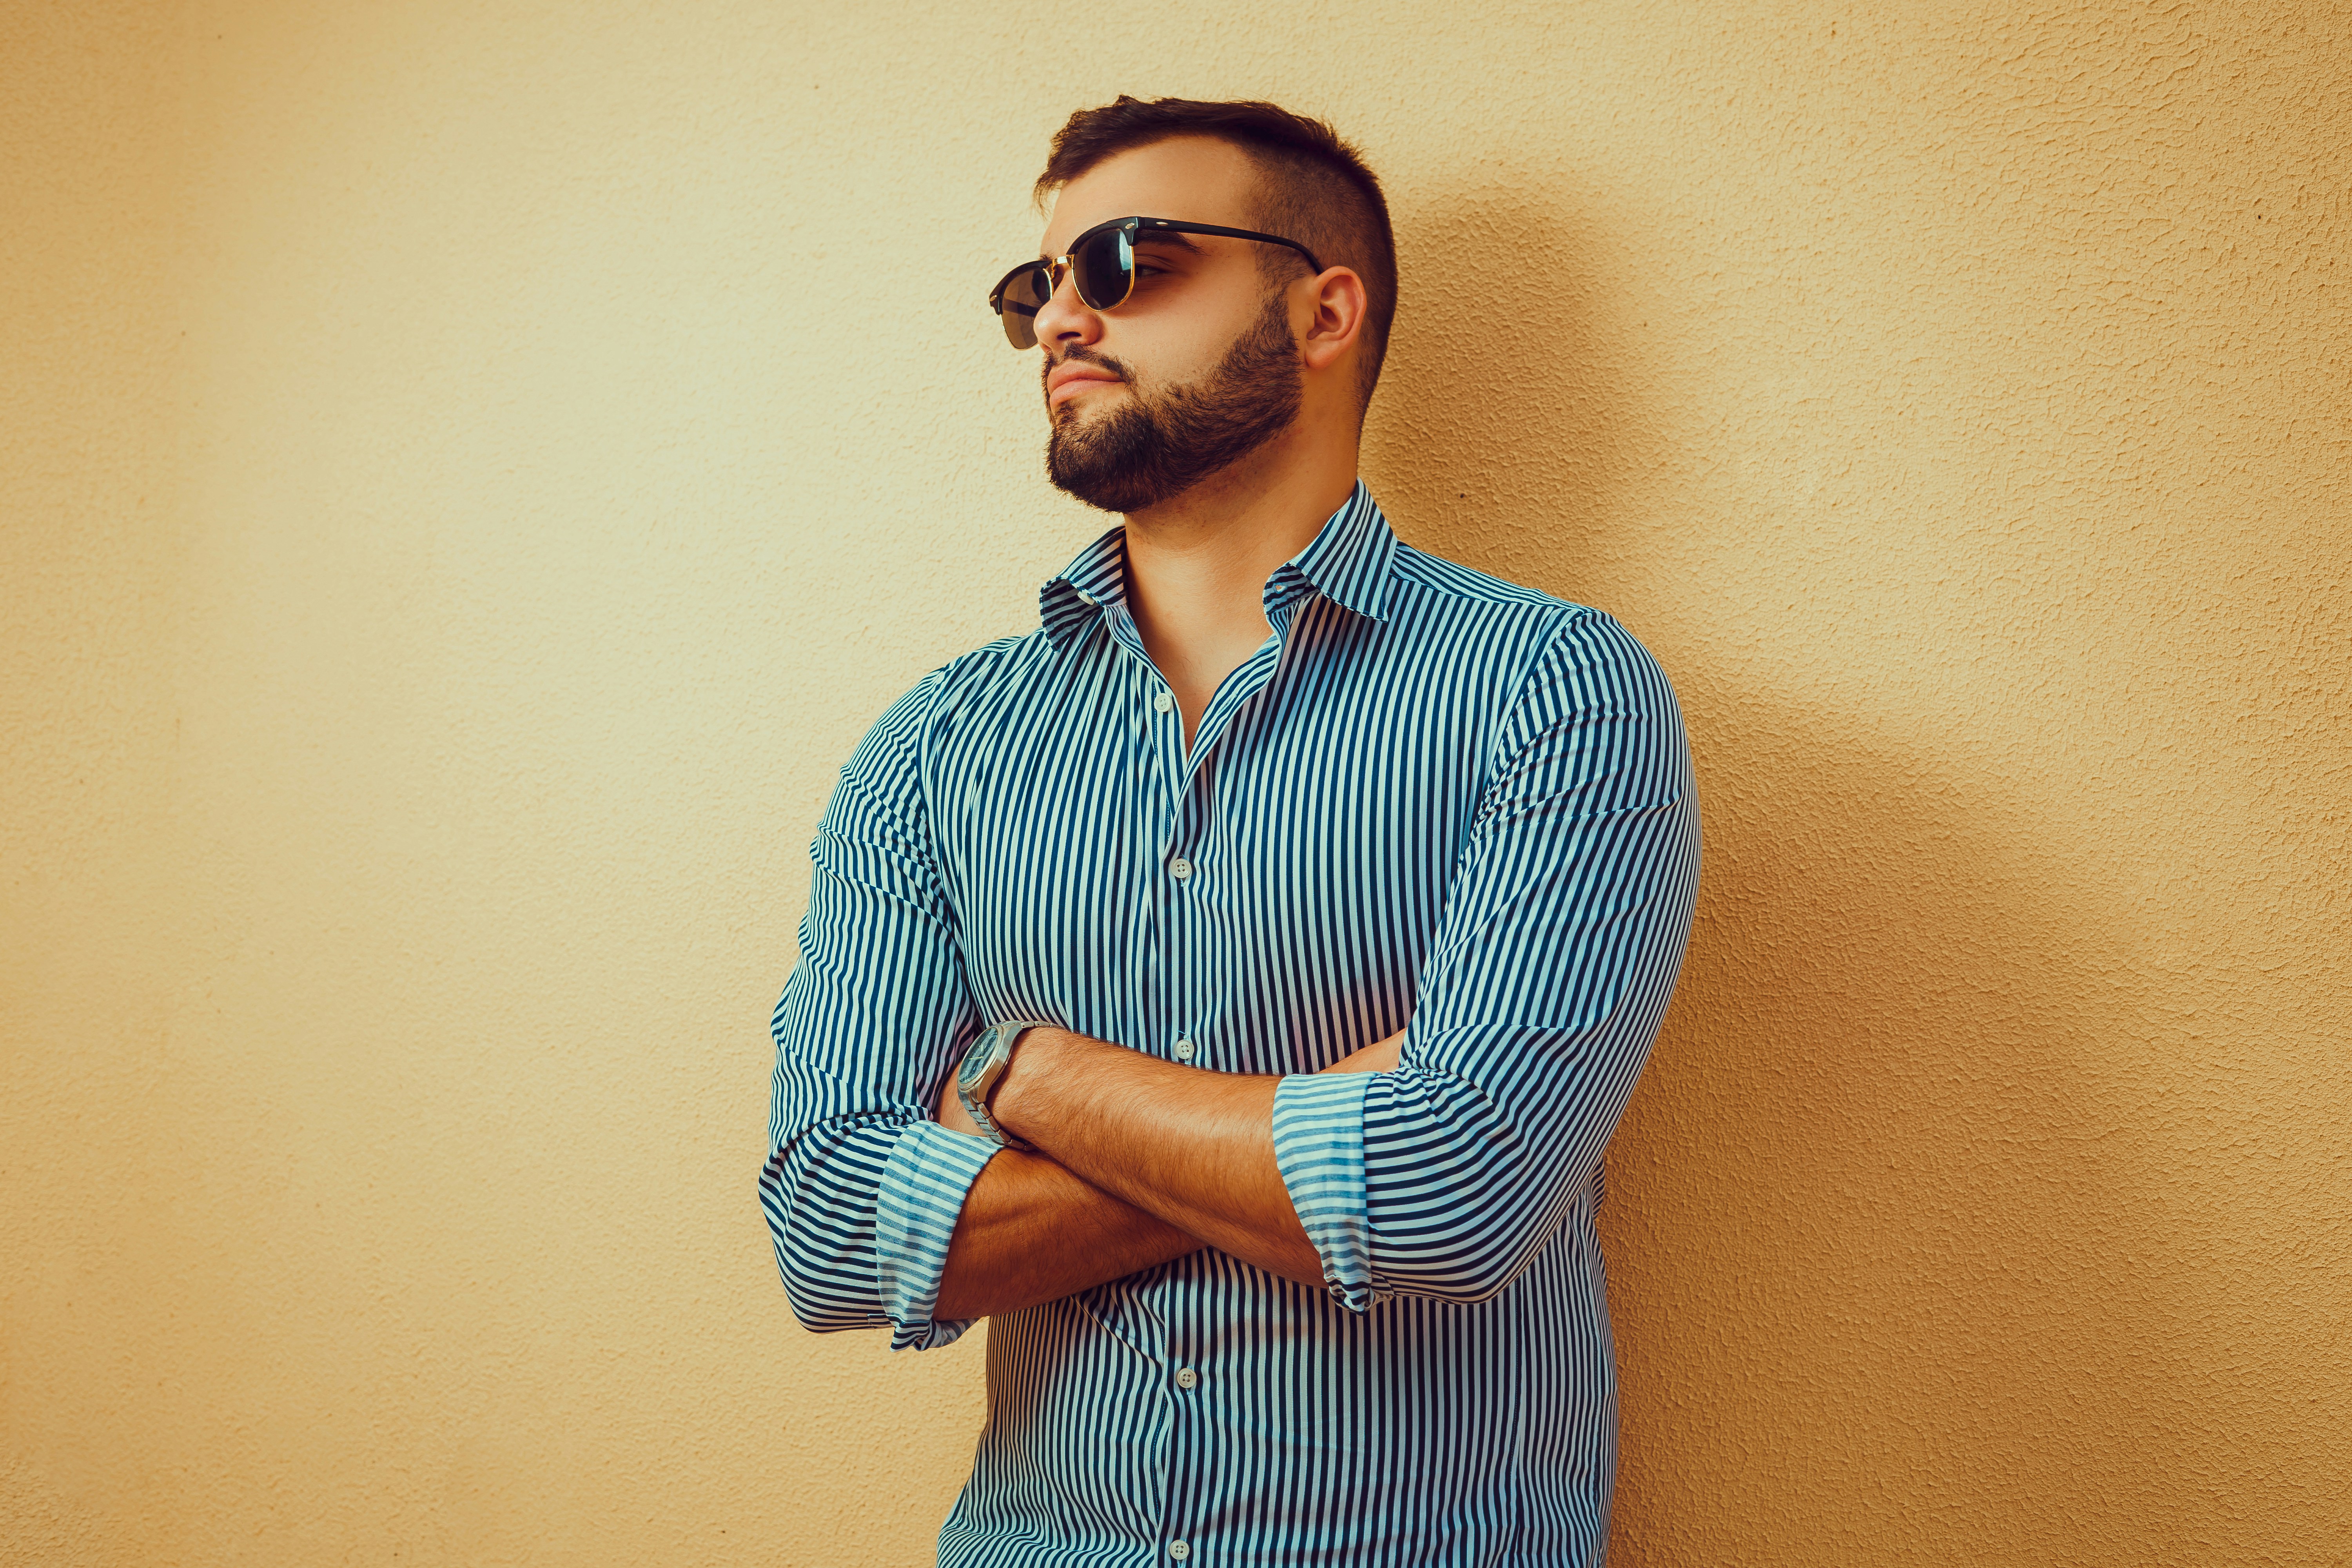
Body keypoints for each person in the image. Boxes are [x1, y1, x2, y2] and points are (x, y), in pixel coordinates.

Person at [760, 95, 1700, 1567]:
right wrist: (1327, 1127)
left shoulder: (1556, 693)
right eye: (1040, 286)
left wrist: (1030, 1077)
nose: (1065, 315)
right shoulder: (935, 747)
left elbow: (1459, 1188)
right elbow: (825, 1231)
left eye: (1130, 261)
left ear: (1324, 312)